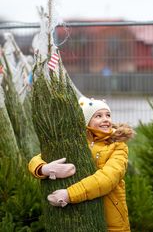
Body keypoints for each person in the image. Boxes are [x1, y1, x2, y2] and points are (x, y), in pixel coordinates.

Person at [28, 96, 134, 232]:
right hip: (80, 216)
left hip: (111, 219)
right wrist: (44, 168)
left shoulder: (118, 146)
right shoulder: (75, 143)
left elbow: (108, 179)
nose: (106, 119)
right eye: (98, 116)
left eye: (108, 115)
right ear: (85, 120)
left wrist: (69, 194)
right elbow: (35, 159)